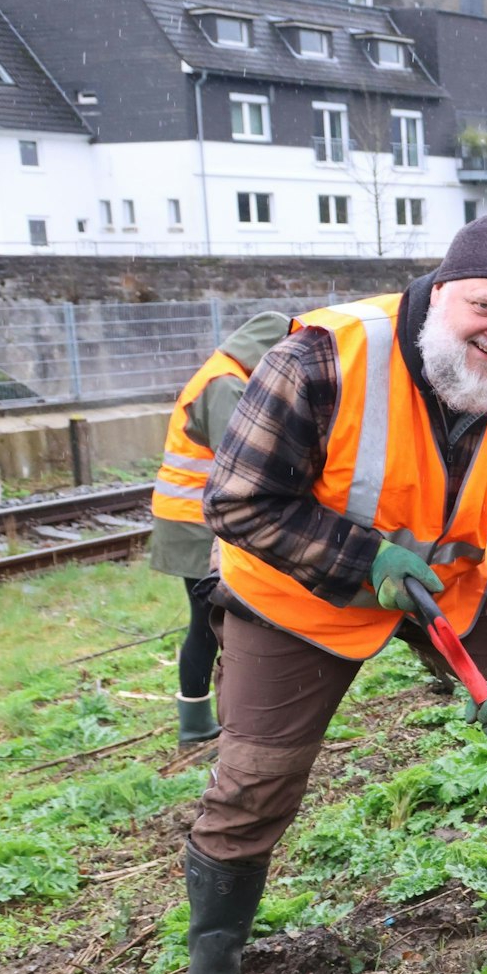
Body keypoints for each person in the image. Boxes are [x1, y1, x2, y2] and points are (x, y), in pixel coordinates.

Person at [169, 214, 487, 974]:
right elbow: (237, 501)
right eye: (485, 307)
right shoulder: (325, 359)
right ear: (441, 293)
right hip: (298, 595)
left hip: (446, 585)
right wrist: (363, 559)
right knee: (254, 781)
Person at [149, 312, 288, 747]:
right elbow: (249, 458)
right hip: (196, 522)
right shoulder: (225, 384)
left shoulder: (221, 373)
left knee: (212, 621)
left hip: (194, 517)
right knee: (211, 623)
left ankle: (202, 719)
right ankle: (200, 722)